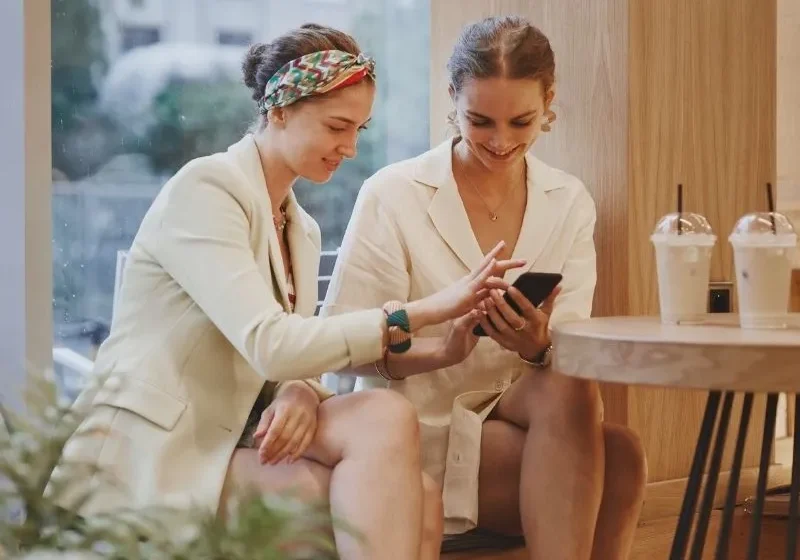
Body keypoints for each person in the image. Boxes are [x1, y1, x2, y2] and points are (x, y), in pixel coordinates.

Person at [51, 23, 523, 560]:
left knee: (404, 451)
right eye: (336, 127)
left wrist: (301, 389)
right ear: (279, 110)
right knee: (385, 499)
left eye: (360, 130)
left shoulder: (301, 226)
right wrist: (421, 312)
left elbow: (279, 363)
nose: (349, 147)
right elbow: (267, 341)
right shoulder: (207, 189)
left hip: (237, 433)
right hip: (159, 455)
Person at [322, 16, 648, 560]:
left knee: (608, 433)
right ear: (451, 98)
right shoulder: (393, 194)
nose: (501, 142)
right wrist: (440, 345)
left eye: (521, 122)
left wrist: (536, 344)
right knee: (615, 454)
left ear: (549, 102)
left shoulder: (568, 199)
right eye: (480, 121)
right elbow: (342, 348)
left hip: (529, 418)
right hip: (424, 426)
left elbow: (571, 348)